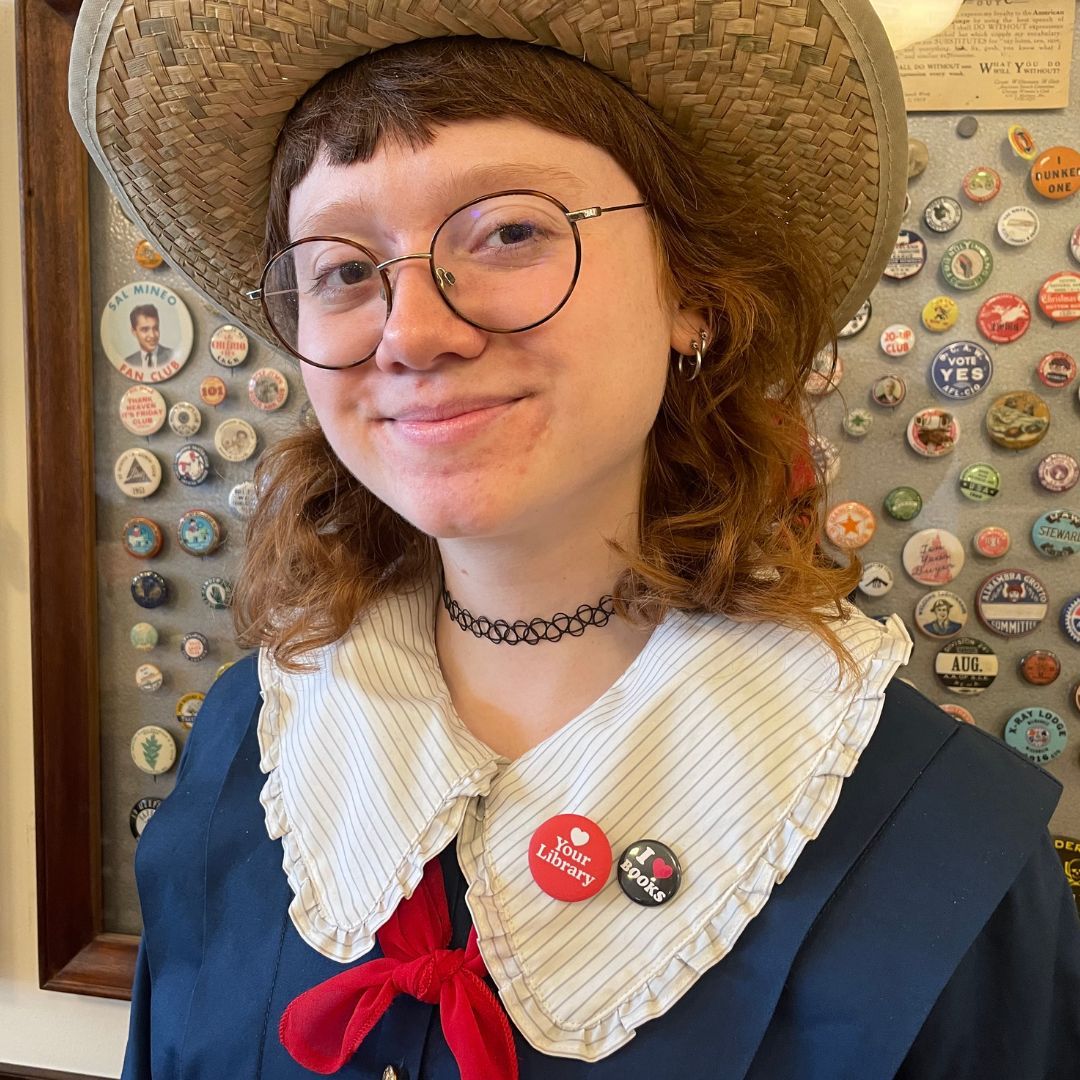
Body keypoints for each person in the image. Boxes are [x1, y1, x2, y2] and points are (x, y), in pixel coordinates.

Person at [68, 2, 1080, 1077]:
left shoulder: (942, 846)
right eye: (345, 270)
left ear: (691, 294)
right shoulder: (247, 743)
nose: (411, 332)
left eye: (510, 232)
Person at [122, 304, 174, 369]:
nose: (152, 335)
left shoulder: (173, 357)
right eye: (145, 330)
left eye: (155, 328)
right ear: (134, 332)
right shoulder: (128, 363)